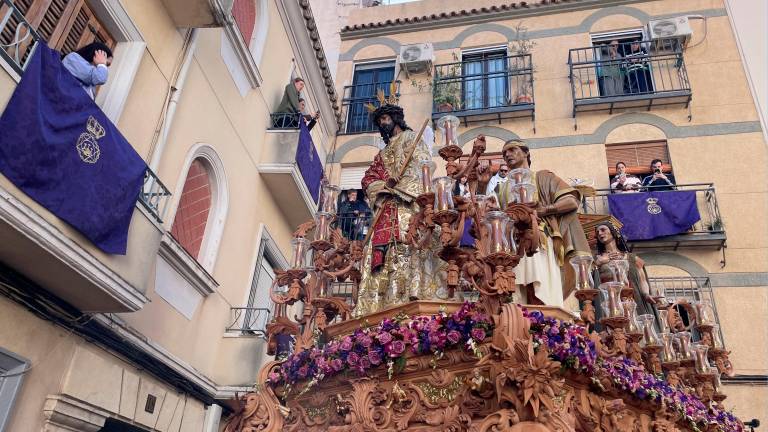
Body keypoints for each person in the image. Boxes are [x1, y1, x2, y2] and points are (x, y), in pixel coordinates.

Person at [355, 96, 445, 316]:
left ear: (395, 118)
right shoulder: (382, 154)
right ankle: (379, 304)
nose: (383, 123)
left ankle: (409, 295)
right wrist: (385, 186)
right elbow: (368, 179)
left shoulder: (411, 138)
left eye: (385, 118)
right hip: (387, 206)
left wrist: (400, 187)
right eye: (380, 121)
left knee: (409, 245)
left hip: (407, 204)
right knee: (385, 254)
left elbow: (424, 165)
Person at [496, 139, 591, 307]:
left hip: (539, 241)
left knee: (538, 288)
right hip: (512, 247)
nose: (507, 155)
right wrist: (480, 186)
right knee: (514, 294)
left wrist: (543, 210)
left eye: (512, 150)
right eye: (504, 154)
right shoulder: (502, 188)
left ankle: (542, 319)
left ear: (526, 152)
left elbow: (571, 201)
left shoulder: (543, 177)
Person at [594, 222, 658, 318]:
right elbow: (590, 279)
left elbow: (642, 280)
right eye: (597, 232)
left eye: (603, 230)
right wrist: (598, 263)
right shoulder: (597, 259)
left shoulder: (631, 258)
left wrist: (646, 294)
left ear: (613, 232)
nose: (599, 233)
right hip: (609, 301)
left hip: (631, 300)